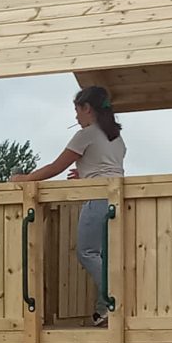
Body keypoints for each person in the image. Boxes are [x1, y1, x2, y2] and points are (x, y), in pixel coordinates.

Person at [11, 86, 125, 327]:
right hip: (117, 199)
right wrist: (86, 176)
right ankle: (104, 309)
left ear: (87, 109)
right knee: (106, 255)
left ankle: (116, 298)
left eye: (77, 110)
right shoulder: (115, 137)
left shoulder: (86, 134)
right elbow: (107, 168)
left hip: (97, 199)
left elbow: (55, 167)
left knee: (88, 253)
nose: (75, 116)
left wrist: (24, 180)